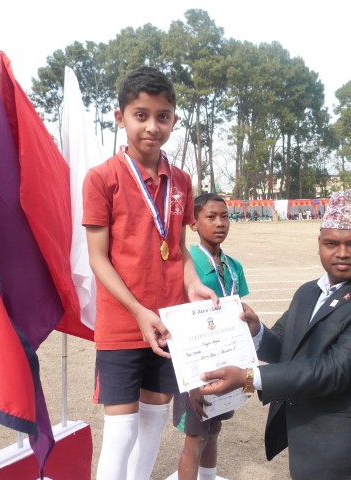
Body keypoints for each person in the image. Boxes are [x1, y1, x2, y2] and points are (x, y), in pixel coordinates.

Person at [200, 189, 351, 480]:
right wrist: (256, 332)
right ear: (319, 244)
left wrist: (249, 378)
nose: (342, 253)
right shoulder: (309, 292)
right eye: (331, 243)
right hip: (309, 442)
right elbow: (285, 348)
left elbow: (337, 369)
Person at [83, 66, 217, 480]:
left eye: (163, 116)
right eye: (140, 115)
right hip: (123, 324)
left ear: (174, 120)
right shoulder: (101, 178)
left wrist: (193, 284)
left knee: (154, 422)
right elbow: (98, 259)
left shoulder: (181, 181)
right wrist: (139, 312)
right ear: (120, 117)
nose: (152, 127)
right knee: (121, 431)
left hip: (169, 324)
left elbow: (177, 248)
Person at [173, 193, 250, 480]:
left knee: (214, 429)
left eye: (225, 217)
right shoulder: (188, 265)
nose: (220, 223)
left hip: (226, 362)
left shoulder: (234, 266)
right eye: (211, 217)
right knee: (196, 438)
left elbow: (239, 311)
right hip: (196, 364)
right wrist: (192, 381)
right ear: (193, 224)